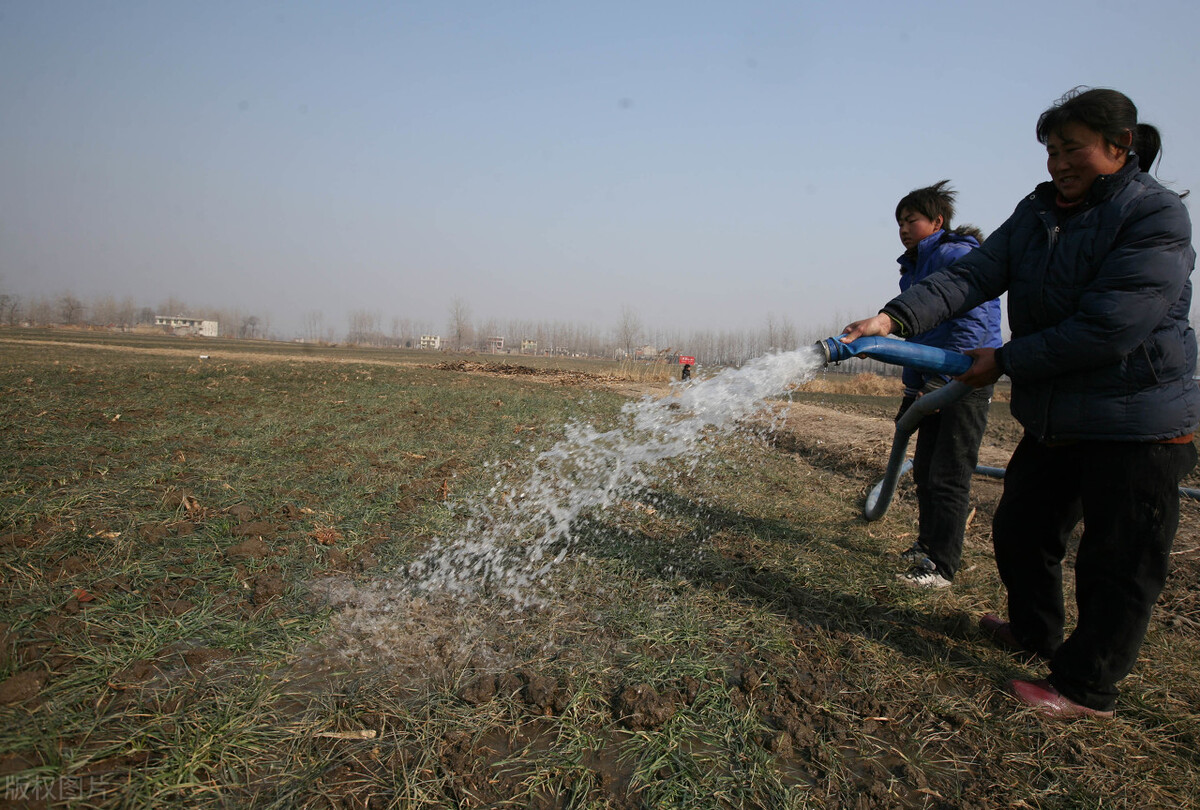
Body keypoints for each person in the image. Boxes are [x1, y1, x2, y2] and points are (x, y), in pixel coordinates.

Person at [840, 87, 1198, 718]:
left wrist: (1003, 360)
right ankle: (1035, 635)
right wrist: (894, 318)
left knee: (1117, 559)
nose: (1059, 163)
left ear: (1119, 148)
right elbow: (972, 277)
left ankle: (1087, 688)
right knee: (1021, 531)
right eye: (1052, 150)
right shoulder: (1037, 215)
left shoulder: (1154, 216)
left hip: (1138, 418)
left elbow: (1112, 325)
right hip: (1060, 416)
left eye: (1074, 149)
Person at [891, 181, 1003, 589]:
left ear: (937, 221)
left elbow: (972, 323)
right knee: (924, 469)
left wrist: (943, 380)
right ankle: (926, 546)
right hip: (937, 381)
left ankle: (941, 565)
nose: (904, 228)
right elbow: (917, 340)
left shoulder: (957, 257)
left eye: (912, 220)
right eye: (899, 222)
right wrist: (911, 391)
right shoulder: (915, 269)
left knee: (949, 473)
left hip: (965, 380)